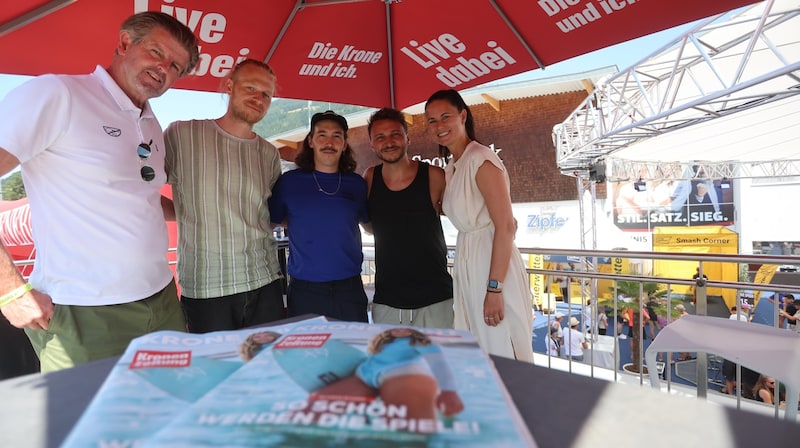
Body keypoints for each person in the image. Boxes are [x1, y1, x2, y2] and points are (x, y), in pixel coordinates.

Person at [0, 12, 199, 372]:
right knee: (85, 425)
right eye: (156, 51)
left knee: (164, 412)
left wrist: (198, 212)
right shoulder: (59, 94)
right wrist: (8, 289)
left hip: (162, 300)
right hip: (84, 312)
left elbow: (140, 197)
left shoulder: (151, 122)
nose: (163, 67)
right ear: (124, 43)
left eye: (175, 66)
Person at [164, 59, 285, 333]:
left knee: (265, 369)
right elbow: (142, 190)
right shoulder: (182, 134)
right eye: (251, 87)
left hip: (264, 280)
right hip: (207, 286)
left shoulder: (269, 153)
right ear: (229, 86)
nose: (259, 98)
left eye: (266, 94)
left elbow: (272, 212)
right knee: (214, 372)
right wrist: (183, 212)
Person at [424, 89, 533, 362]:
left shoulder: (481, 159)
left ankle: (514, 402)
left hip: (491, 263)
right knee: (480, 345)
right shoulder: (454, 165)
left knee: (502, 345)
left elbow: (506, 226)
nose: (439, 126)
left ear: (463, 116)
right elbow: (467, 211)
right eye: (432, 120)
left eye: (445, 117)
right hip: (469, 261)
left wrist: (494, 288)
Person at [268, 111, 369, 322]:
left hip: (349, 289)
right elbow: (271, 221)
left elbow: (367, 223)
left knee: (353, 353)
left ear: (344, 144)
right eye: (322, 135)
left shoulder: (356, 183)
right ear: (311, 141)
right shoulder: (289, 182)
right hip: (305, 291)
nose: (329, 142)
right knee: (308, 353)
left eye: (336, 136)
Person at [363, 108, 454, 328]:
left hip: (436, 298)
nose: (389, 142)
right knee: (393, 363)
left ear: (407, 138)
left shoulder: (434, 176)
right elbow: (369, 225)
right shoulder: (369, 177)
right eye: (380, 137)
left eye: (395, 134)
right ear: (372, 145)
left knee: (438, 362)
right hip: (388, 299)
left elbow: (459, 211)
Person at [353, 327, 464, 424]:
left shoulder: (416, 342)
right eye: (396, 328)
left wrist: (448, 390)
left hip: (400, 373)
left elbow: (438, 363)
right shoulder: (382, 344)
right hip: (369, 376)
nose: (400, 329)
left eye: (405, 329)